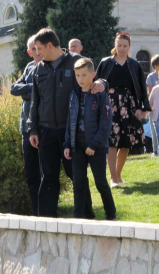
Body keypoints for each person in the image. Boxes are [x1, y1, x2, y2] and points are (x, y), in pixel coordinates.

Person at [28, 28, 106, 218]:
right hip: (46, 131)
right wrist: (32, 129)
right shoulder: (38, 68)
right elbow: (35, 101)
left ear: (49, 45)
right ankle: (46, 221)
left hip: (71, 132)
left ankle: (87, 216)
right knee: (48, 176)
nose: (36, 53)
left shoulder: (75, 61)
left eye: (39, 49)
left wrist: (104, 83)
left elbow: (95, 77)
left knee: (77, 177)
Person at [64, 58, 116, 220]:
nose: (81, 79)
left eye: (84, 75)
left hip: (96, 148)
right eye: (78, 75)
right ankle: (80, 216)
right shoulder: (74, 94)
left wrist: (94, 145)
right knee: (78, 183)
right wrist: (67, 143)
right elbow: (70, 121)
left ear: (93, 74)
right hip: (77, 147)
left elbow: (105, 124)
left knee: (100, 182)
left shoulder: (101, 96)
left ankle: (111, 214)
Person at [96, 32, 151, 188]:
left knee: (126, 142)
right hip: (109, 104)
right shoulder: (105, 63)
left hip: (129, 106)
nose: (121, 48)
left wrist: (142, 108)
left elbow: (141, 88)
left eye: (124, 46)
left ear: (129, 47)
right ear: (115, 45)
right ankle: (113, 178)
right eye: (119, 45)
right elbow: (97, 83)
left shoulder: (135, 65)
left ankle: (118, 174)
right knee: (112, 141)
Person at [10, 35, 42, 215]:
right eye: (33, 49)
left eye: (39, 48)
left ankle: (46, 210)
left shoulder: (50, 67)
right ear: (29, 52)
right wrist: (32, 88)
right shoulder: (29, 67)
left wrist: (27, 90)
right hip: (26, 127)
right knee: (31, 172)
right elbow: (13, 89)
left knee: (45, 171)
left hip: (44, 126)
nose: (37, 52)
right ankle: (36, 210)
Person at [146, 55, 159, 157]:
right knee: (154, 129)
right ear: (155, 66)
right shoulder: (151, 77)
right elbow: (150, 92)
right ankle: (155, 150)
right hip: (154, 106)